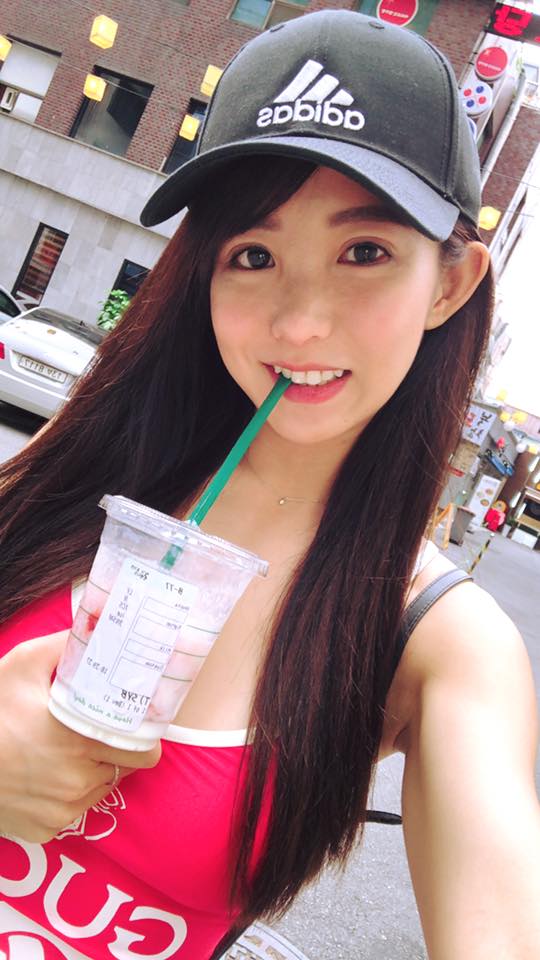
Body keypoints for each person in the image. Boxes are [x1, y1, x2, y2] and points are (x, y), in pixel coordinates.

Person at [0, 10, 539, 960]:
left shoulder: (438, 642)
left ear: (450, 286)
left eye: (365, 252)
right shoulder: (88, 465)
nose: (298, 323)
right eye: (253, 256)